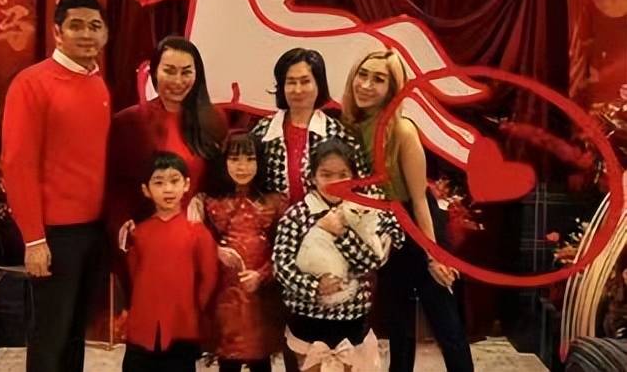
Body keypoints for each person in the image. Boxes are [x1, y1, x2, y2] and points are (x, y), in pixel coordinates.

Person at [341, 49, 474, 372]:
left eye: (378, 79)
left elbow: (419, 200)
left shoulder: (403, 131)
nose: (366, 85)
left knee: (445, 322)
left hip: (419, 225)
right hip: (385, 230)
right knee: (398, 324)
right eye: (362, 75)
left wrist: (433, 256)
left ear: (392, 89)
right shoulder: (350, 127)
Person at [1, 0, 110, 372]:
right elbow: (17, 164)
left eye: (95, 26)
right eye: (76, 25)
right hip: (54, 235)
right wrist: (34, 239)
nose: (87, 34)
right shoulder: (32, 83)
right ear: (57, 32)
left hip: (92, 231)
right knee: (50, 337)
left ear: (105, 34)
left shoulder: (97, 83)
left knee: (76, 333)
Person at [107, 36, 226, 296]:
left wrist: (203, 199)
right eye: (169, 71)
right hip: (149, 243)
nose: (178, 80)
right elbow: (115, 186)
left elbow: (220, 182)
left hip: (197, 241)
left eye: (186, 72)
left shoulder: (214, 120)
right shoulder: (129, 122)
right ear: (154, 72)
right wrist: (122, 224)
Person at [273, 139, 403, 372]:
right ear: (313, 177)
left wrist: (341, 233)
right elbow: (282, 265)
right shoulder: (296, 215)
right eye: (326, 175)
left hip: (352, 324)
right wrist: (314, 286)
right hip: (307, 323)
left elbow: (372, 261)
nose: (335, 182)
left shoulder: (364, 210)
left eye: (343, 175)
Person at [122, 152, 218, 372]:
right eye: (159, 182)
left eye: (174, 181)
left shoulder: (197, 233)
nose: (168, 189)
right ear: (146, 190)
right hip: (142, 324)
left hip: (182, 326)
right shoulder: (139, 233)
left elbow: (209, 278)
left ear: (186, 184)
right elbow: (133, 275)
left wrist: (193, 310)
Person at [251, 48, 376, 211]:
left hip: (328, 222)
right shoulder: (263, 130)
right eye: (291, 82)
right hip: (270, 223)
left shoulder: (338, 133)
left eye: (305, 82)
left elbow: (366, 188)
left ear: (319, 85)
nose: (298, 90)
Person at [201, 130, 285, 372]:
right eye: (235, 159)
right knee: (228, 359)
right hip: (224, 298)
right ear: (224, 162)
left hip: (262, 297)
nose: (242, 166)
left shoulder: (275, 203)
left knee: (261, 359)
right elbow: (197, 245)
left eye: (250, 159)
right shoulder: (210, 203)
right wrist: (215, 250)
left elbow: (284, 250)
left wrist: (262, 274)